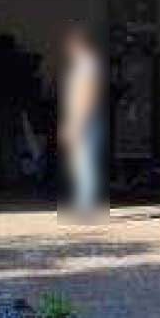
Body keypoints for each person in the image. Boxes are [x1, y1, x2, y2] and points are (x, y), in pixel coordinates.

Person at [60, 25, 106, 217]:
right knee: (81, 162)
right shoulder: (83, 64)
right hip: (83, 117)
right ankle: (84, 203)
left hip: (86, 118)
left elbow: (87, 94)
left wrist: (77, 122)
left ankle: (86, 206)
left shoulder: (87, 65)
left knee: (85, 162)